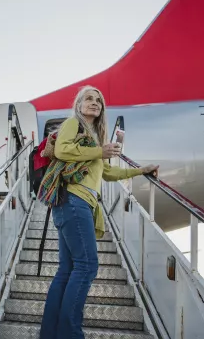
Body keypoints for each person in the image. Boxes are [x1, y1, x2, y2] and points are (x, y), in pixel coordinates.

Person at [39, 85, 158, 339]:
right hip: (74, 200)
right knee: (88, 266)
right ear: (79, 105)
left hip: (73, 204)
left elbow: (107, 172)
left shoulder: (94, 136)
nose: (94, 103)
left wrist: (140, 171)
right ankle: (69, 333)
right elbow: (61, 149)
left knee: (67, 269)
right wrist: (99, 151)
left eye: (98, 100)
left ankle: (50, 333)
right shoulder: (74, 123)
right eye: (89, 99)